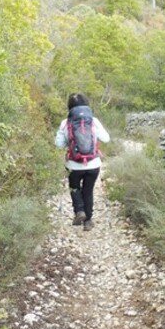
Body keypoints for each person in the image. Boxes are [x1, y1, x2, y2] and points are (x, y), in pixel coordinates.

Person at [54, 93, 110, 231]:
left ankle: (79, 211)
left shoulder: (66, 123)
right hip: (93, 163)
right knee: (88, 190)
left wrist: (70, 142)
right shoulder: (94, 121)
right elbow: (106, 138)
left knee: (74, 187)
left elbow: (58, 144)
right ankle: (88, 221)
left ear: (69, 106)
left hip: (73, 164)